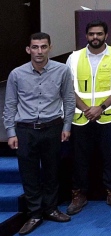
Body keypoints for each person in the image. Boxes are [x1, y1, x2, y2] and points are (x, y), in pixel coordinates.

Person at [3, 33, 74, 235]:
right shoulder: (17, 74)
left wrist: (67, 127)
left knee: (52, 171)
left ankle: (50, 209)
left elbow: (69, 100)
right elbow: (10, 104)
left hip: (53, 128)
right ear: (28, 50)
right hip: (25, 130)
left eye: (43, 47)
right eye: (35, 47)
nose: (39, 51)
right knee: (29, 174)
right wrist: (10, 132)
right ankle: (34, 213)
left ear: (50, 48)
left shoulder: (62, 70)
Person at [66, 20, 111, 215]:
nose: (95, 37)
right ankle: (79, 194)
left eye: (99, 34)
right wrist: (86, 109)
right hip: (81, 117)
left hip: (110, 116)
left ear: (106, 36)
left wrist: (101, 108)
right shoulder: (74, 57)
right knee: (79, 159)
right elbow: (68, 88)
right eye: (91, 34)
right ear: (86, 36)